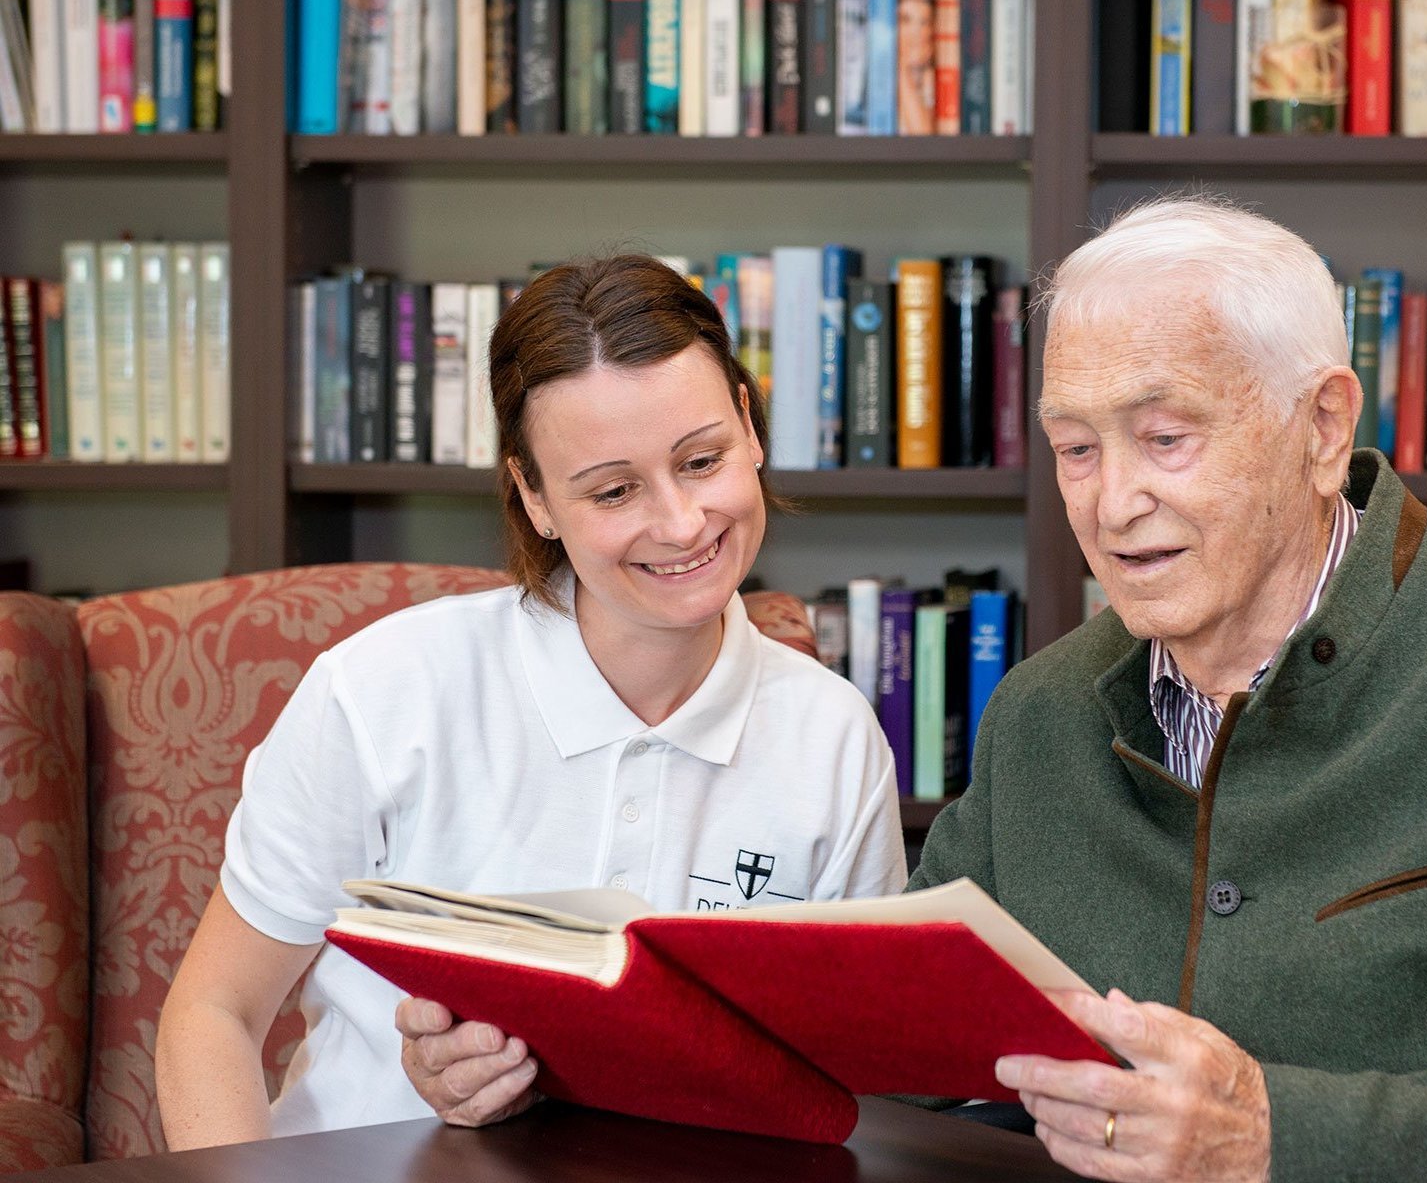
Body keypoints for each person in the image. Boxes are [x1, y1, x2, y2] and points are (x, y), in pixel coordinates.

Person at [909, 196, 1427, 1181]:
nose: (1112, 502)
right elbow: (909, 1062)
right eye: (1076, 446)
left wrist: (1282, 1132)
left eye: (1165, 436)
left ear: (1324, 426)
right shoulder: (1037, 710)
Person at [156, 255, 907, 1147]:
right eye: (615, 489)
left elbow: (840, 1086)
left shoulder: (833, 737)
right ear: (535, 497)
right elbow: (213, 1013)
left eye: (701, 461)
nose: (679, 523)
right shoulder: (381, 694)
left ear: (750, 428)